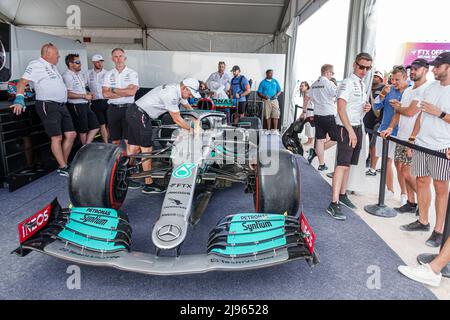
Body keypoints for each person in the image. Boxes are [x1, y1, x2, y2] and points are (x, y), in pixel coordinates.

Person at [401, 52, 450, 248]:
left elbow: (437, 114)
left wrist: (441, 113)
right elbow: (420, 116)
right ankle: (423, 221)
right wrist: (413, 139)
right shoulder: (430, 87)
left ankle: (439, 230)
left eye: (438, 66)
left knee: (440, 188)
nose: (434, 69)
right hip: (422, 143)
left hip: (442, 145)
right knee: (421, 181)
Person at [10, 43, 76, 177]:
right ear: (47, 54)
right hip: (48, 105)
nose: (58, 56)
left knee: (71, 134)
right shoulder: (36, 64)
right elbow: (22, 82)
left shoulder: (53, 67)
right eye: (56, 53)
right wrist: (19, 98)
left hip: (61, 105)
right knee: (56, 137)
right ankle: (63, 166)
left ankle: (62, 163)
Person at [126, 79, 201, 194]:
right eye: (190, 93)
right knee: (147, 149)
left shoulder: (177, 89)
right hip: (140, 115)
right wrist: (192, 130)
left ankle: (126, 176)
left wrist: (197, 121)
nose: (191, 96)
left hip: (134, 112)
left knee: (134, 148)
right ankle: (149, 184)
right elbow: (177, 119)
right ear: (185, 88)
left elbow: (189, 108)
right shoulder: (171, 94)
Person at [326, 53, 373, 220]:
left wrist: (365, 108)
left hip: (357, 126)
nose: (364, 70)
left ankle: (343, 194)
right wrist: (351, 131)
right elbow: (340, 108)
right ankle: (333, 203)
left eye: (368, 68)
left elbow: (354, 107)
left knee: (349, 165)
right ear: (355, 65)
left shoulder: (362, 84)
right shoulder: (347, 82)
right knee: (342, 165)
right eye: (361, 67)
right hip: (346, 128)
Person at [382, 59, 430, 214]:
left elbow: (410, 112)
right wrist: (390, 127)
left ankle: (424, 205)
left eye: (417, 69)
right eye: (412, 69)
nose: (413, 71)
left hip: (414, 139)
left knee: (408, 173)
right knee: (401, 170)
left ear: (426, 70)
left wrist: (399, 107)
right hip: (401, 136)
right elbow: (399, 112)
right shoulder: (409, 90)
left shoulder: (426, 89)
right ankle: (411, 203)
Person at [375, 66, 410, 202]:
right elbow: (377, 107)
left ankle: (404, 194)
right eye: (392, 79)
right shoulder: (389, 90)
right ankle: (389, 189)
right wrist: (383, 93)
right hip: (385, 130)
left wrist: (401, 107)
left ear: (405, 77)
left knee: (400, 165)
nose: (394, 82)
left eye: (397, 79)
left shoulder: (411, 91)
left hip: (403, 133)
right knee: (386, 161)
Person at [304, 64, 338, 171]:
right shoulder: (329, 83)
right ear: (327, 72)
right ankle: (315, 152)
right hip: (328, 115)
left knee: (319, 140)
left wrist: (304, 111)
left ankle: (321, 164)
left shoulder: (314, 84)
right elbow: (338, 95)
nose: (332, 75)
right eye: (332, 73)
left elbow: (306, 97)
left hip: (317, 115)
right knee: (336, 138)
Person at [102, 48, 139, 146]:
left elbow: (132, 92)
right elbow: (105, 94)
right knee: (115, 140)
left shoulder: (132, 73)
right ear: (112, 59)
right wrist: (125, 91)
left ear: (125, 58)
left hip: (128, 109)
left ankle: (131, 161)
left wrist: (113, 89)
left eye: (120, 56)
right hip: (113, 110)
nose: (118, 59)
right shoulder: (108, 74)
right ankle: (118, 160)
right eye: (116, 56)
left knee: (129, 140)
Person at [63, 54, 100, 145]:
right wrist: (84, 96)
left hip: (85, 105)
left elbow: (81, 90)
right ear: (70, 64)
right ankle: (85, 151)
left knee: (95, 126)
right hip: (76, 105)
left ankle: (86, 147)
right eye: (77, 62)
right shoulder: (67, 76)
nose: (80, 64)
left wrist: (88, 94)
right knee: (83, 130)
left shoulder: (79, 74)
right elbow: (67, 94)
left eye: (80, 62)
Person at [365, 71, 385, 176]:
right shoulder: (367, 88)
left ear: (381, 79)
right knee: (370, 141)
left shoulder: (384, 89)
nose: (374, 78)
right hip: (367, 119)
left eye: (377, 77)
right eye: (374, 76)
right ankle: (369, 158)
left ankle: (373, 166)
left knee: (374, 144)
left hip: (378, 120)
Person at [88, 54, 109, 143]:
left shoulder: (107, 73)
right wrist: (87, 93)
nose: (100, 63)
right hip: (96, 102)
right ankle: (106, 143)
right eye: (97, 62)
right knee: (102, 124)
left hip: (107, 101)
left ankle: (108, 141)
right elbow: (84, 85)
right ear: (93, 62)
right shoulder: (88, 73)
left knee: (108, 124)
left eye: (101, 61)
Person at [299, 81, 314, 146]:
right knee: (307, 125)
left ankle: (310, 141)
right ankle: (309, 140)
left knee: (309, 125)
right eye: (301, 86)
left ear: (306, 86)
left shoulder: (308, 92)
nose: (301, 87)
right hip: (307, 110)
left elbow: (306, 103)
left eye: (302, 86)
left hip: (310, 110)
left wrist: (303, 112)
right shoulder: (304, 93)